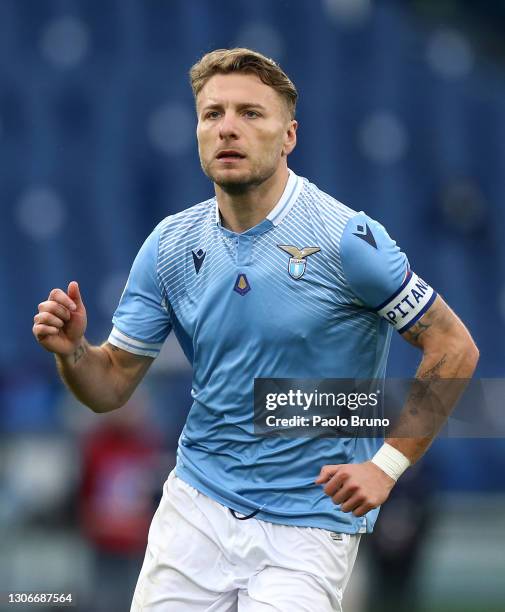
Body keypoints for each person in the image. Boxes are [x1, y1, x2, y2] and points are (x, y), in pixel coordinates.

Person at [33, 48, 479, 611]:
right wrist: (73, 353)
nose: (228, 129)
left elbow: (454, 346)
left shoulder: (348, 240)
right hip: (196, 505)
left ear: (289, 136)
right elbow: (112, 384)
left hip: (308, 525)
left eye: (250, 113)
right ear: (196, 130)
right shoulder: (169, 245)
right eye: (213, 114)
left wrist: (386, 467)